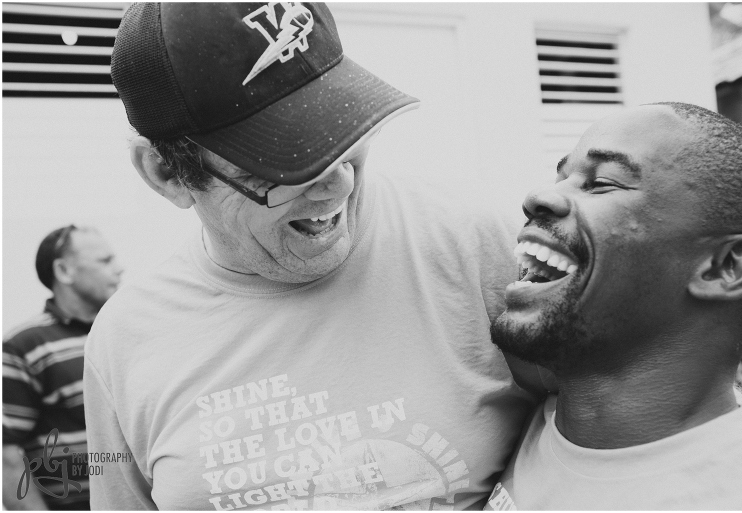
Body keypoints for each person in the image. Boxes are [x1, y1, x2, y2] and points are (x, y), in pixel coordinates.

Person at [84, 3, 537, 510]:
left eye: (344, 134)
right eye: (282, 162)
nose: (339, 184)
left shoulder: (478, 245)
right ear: (167, 173)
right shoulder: (123, 342)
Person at [486, 102, 742, 511]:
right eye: (562, 177)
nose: (537, 197)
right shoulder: (517, 414)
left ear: (725, 268)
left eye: (601, 183)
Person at [3, 225, 123, 510]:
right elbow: (5, 453)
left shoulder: (125, 335)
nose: (119, 269)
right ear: (64, 271)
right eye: (105, 261)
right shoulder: (25, 346)